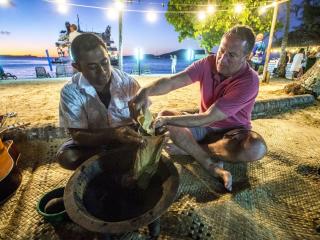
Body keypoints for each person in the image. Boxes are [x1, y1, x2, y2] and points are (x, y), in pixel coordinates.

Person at [130, 26, 268, 192]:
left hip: (231, 134)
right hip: (202, 127)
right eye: (221, 50)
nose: (222, 59)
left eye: (231, 55)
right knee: (165, 114)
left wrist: (166, 121)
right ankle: (209, 162)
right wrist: (145, 90)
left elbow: (209, 117)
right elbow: (173, 81)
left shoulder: (249, 80)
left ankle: (193, 150)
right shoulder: (207, 63)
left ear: (247, 57)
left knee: (256, 147)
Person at [56, 33, 143, 170]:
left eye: (104, 62)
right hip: (93, 144)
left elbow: (142, 118)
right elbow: (78, 136)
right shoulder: (70, 91)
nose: (102, 71)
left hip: (127, 139)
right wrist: (113, 134)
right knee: (68, 157)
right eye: (92, 67)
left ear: (109, 56)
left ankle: (108, 161)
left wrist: (146, 121)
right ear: (77, 67)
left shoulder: (128, 83)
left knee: (141, 144)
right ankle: (116, 159)